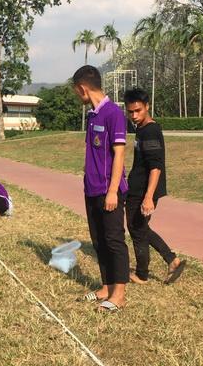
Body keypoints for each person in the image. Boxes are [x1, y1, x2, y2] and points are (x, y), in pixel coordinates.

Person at [71, 65, 130, 313]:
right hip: (92, 188)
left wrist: (113, 190)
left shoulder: (113, 113)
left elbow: (119, 154)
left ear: (82, 88)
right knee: (99, 241)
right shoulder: (92, 115)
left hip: (109, 189)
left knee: (114, 241)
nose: (77, 96)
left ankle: (119, 295)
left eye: (76, 92)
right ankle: (106, 287)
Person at [123, 89, 185, 285]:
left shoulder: (149, 131)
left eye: (138, 111)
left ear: (147, 107)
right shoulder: (142, 128)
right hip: (138, 188)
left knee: (136, 229)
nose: (134, 115)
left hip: (143, 190)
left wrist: (148, 196)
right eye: (130, 111)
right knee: (140, 228)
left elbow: (155, 166)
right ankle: (171, 260)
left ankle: (142, 274)